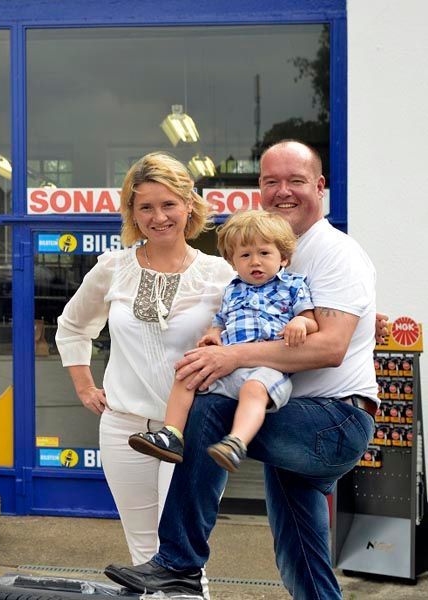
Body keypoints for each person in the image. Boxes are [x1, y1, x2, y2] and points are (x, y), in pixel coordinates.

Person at [104, 140, 379, 600]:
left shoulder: (335, 253)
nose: (283, 191)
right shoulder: (270, 250)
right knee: (302, 559)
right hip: (290, 412)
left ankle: (178, 563)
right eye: (272, 181)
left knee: (209, 411)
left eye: (296, 181)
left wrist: (231, 357)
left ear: (320, 186)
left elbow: (330, 347)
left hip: (332, 419)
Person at [55, 152, 235, 565]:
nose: (159, 217)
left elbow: (265, 324)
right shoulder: (113, 268)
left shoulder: (221, 275)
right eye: (146, 207)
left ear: (189, 205)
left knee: (183, 558)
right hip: (124, 430)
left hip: (193, 432)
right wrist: (84, 385)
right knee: (143, 555)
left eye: (169, 204)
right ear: (133, 213)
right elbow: (73, 325)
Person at [128, 210, 318, 472]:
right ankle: (171, 434)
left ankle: (236, 442)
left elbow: (311, 320)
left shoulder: (293, 285)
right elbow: (219, 323)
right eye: (245, 255)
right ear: (232, 262)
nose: (255, 262)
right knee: (187, 371)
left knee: (254, 390)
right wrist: (212, 336)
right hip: (228, 368)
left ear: (283, 257)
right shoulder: (232, 289)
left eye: (264, 253)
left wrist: (300, 323)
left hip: (268, 370)